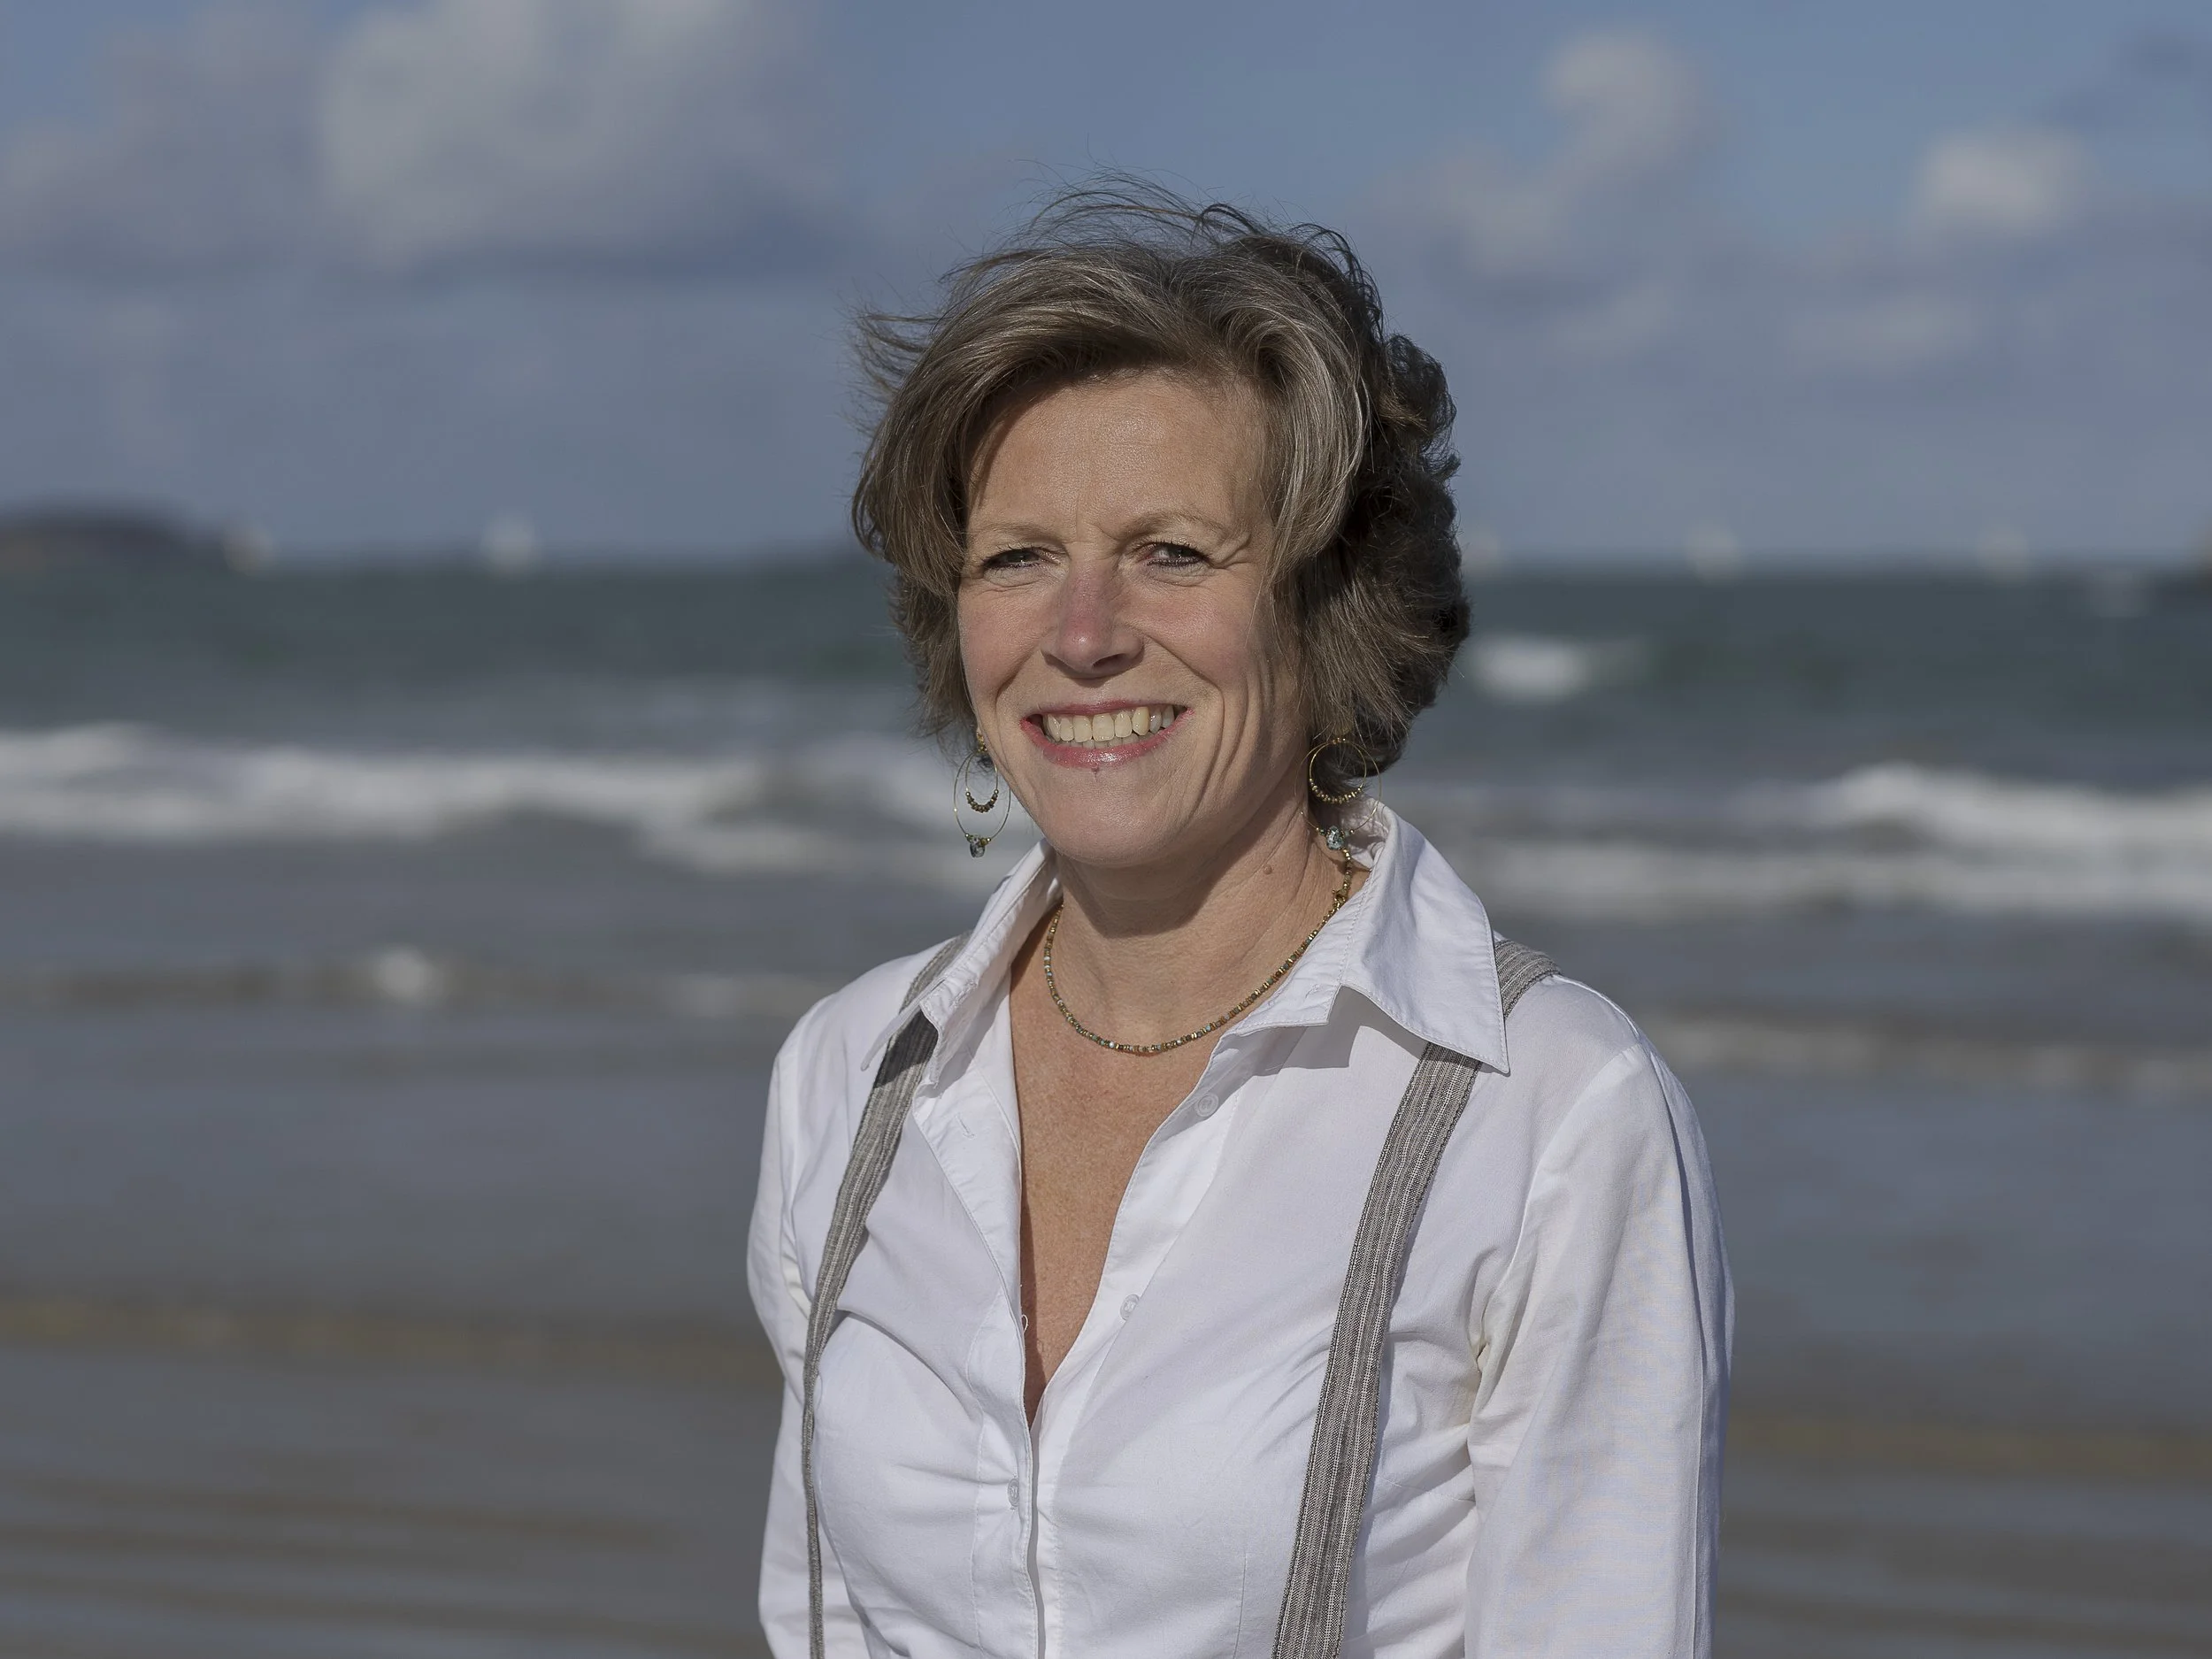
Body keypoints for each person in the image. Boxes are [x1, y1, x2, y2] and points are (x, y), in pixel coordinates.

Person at [748, 187, 1731, 1658]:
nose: (1082, 634)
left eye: (1173, 553)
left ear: (1328, 604)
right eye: (1018, 557)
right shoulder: (851, 1075)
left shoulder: (1551, 1116)